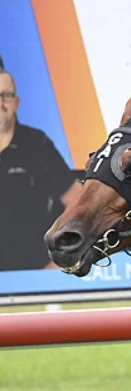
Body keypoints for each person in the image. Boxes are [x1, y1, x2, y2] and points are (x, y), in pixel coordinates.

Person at [0, 67, 80, 271]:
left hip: (35, 276)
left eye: (6, 96)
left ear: (16, 102)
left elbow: (78, 204)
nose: (0, 103)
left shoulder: (37, 144)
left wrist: (58, 263)